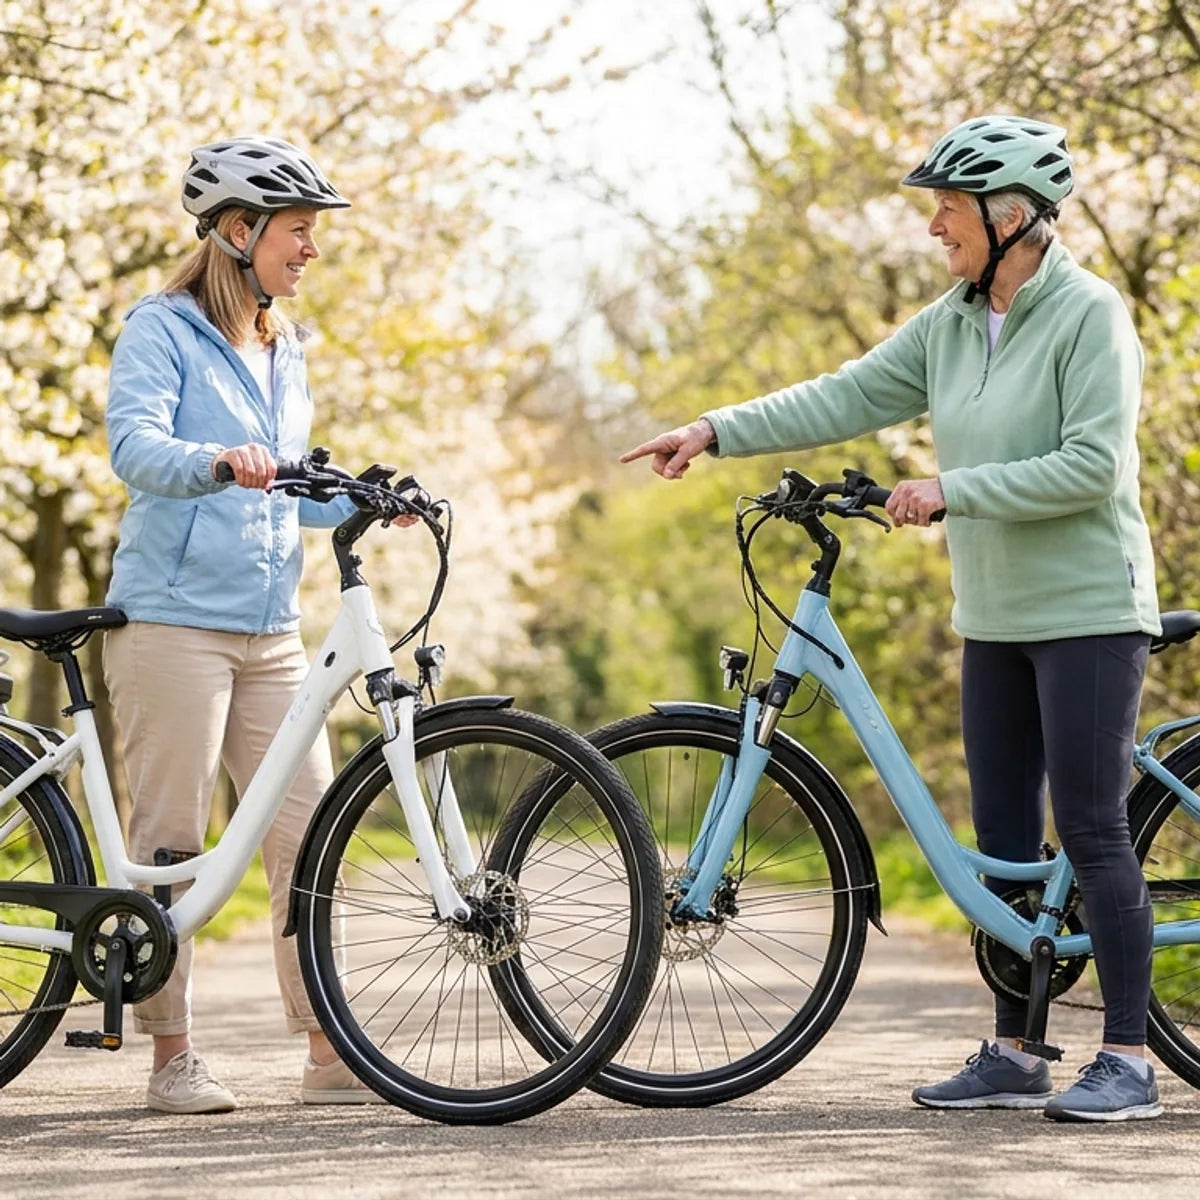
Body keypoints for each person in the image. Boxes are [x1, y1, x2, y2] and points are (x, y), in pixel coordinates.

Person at [621, 115, 1164, 1123]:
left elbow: (1094, 466)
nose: (933, 229)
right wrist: (713, 429)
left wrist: (954, 489)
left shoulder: (1090, 314)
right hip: (993, 616)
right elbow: (847, 394)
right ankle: (1016, 1053)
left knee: (1091, 827)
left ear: (1011, 217)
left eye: (949, 210)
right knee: (1004, 842)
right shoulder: (951, 323)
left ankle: (1129, 1061)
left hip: (1088, 608)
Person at [104, 136, 393, 1113]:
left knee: (308, 838)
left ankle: (327, 1048)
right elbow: (136, 447)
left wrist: (360, 495)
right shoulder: (162, 330)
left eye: (312, 232)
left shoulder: (285, 345)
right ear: (238, 231)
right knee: (171, 842)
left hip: (273, 631)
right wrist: (216, 460)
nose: (311, 249)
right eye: (296, 231)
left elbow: (289, 484)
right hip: (173, 622)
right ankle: (171, 1055)